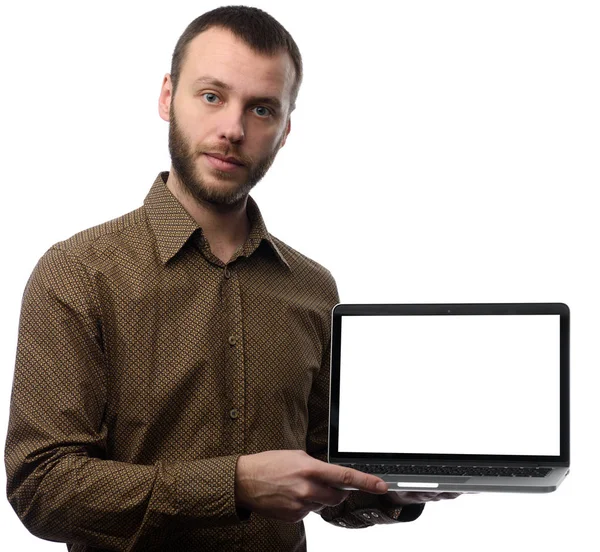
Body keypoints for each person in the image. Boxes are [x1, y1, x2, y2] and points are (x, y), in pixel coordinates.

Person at [5, 6, 459, 551]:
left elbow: (325, 474)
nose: (233, 129)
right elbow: (42, 488)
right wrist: (235, 485)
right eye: (212, 96)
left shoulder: (313, 289)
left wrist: (398, 487)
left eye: (262, 108)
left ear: (285, 129)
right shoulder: (77, 272)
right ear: (168, 97)